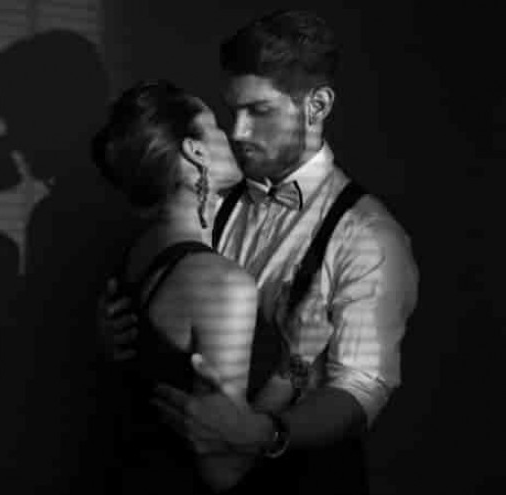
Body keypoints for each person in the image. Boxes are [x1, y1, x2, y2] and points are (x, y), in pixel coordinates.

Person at [97, 9, 419, 494]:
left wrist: (267, 433)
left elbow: (360, 388)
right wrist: (118, 335)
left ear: (317, 106)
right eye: (232, 112)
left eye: (259, 111)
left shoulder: (368, 234)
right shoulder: (205, 205)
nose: (239, 132)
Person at [92, 80, 288, 493]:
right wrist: (294, 370)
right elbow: (223, 471)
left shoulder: (135, 256)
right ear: (195, 152)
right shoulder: (222, 286)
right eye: (214, 126)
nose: (230, 135)